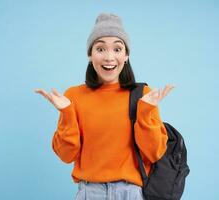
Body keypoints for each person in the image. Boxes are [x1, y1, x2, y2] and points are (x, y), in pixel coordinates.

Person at [35, 13, 175, 200]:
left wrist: (145, 112)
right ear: (90, 55)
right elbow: (66, 155)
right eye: (100, 49)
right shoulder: (73, 96)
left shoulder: (142, 94)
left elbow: (154, 152)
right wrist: (67, 113)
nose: (109, 57)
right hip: (90, 193)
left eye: (117, 49)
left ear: (126, 56)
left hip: (130, 193)